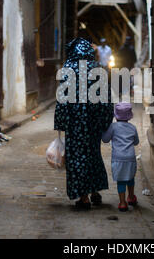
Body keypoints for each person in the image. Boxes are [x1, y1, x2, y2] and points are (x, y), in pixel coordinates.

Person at [54, 38, 114, 210]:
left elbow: (62, 100)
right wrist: (105, 121)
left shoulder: (68, 70)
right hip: (93, 124)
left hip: (75, 126)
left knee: (78, 159)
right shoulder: (98, 69)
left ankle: (84, 198)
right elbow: (106, 100)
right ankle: (95, 192)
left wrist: (61, 122)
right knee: (93, 155)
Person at [101, 102, 139, 212]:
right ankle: (131, 197)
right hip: (130, 158)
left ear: (116, 116)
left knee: (121, 180)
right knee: (130, 177)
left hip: (118, 158)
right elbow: (136, 142)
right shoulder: (133, 128)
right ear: (129, 116)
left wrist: (102, 130)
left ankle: (122, 203)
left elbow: (105, 139)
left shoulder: (113, 127)